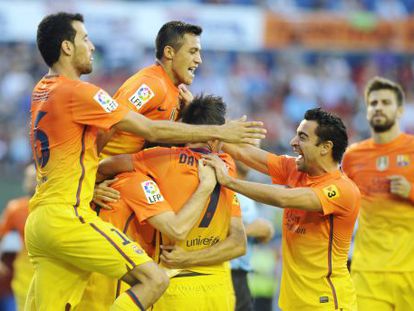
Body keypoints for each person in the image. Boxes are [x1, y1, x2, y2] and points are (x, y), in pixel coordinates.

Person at [26, 12, 265, 311]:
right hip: (109, 200)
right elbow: (117, 126)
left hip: (50, 214)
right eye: (193, 51)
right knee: (141, 284)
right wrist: (97, 177)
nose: (199, 59)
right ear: (67, 47)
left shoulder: (42, 90)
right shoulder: (146, 86)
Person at [95, 95, 247, 311]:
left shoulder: (159, 158)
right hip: (219, 290)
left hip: (175, 284)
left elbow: (104, 165)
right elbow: (239, 243)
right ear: (215, 138)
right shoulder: (226, 166)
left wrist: (92, 188)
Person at [203, 108, 360, 311]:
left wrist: (228, 182)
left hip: (327, 301)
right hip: (292, 302)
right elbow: (244, 153)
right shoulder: (296, 169)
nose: (293, 142)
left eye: (302, 137)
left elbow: (284, 198)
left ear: (325, 147)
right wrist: (206, 120)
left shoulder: (343, 189)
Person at [342, 77, 414, 310]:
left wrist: (410, 191)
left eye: (385, 102)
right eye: (373, 103)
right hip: (368, 271)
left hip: (410, 271)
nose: (378, 107)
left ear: (400, 110)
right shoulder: (353, 156)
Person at [100, 20, 203, 158]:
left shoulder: (179, 92)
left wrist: (189, 113)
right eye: (192, 52)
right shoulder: (151, 85)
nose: (199, 60)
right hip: (108, 171)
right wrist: (91, 169)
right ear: (169, 52)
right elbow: (111, 120)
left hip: (130, 169)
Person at [230, 161, 274, 311]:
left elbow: (265, 232)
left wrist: (259, 230)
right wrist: (249, 229)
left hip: (242, 277)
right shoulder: (219, 187)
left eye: (256, 146)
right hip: (223, 272)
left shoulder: (247, 192)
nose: (250, 153)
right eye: (246, 144)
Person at [0, 165, 36, 311]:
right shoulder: (15, 208)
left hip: (54, 270)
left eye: (35, 179)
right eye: (29, 179)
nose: (32, 183)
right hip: (25, 272)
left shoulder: (61, 206)